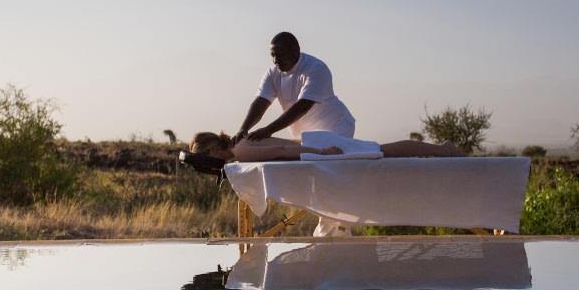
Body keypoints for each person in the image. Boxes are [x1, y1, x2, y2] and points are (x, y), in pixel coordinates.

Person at [232, 31, 355, 145]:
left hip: (336, 129)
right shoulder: (272, 74)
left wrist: (268, 130)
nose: (275, 60)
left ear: (296, 50)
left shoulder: (316, 69)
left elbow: (303, 106)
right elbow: (260, 103)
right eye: (272, 55)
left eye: (280, 55)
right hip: (303, 136)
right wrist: (243, 129)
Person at [189, 130, 467, 162]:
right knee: (383, 149)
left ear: (212, 151)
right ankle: (442, 149)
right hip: (314, 145)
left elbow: (284, 151)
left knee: (384, 150)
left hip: (318, 146)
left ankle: (445, 149)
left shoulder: (242, 152)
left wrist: (322, 153)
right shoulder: (239, 148)